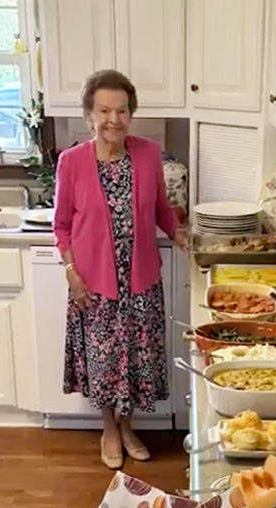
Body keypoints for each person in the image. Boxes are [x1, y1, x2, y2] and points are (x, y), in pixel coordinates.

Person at [54, 69, 189, 469]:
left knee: (134, 362)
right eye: (104, 110)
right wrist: (71, 271)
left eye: (122, 110)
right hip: (92, 283)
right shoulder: (72, 162)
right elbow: (61, 226)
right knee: (104, 364)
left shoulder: (148, 154)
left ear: (132, 113)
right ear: (89, 115)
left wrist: (178, 232)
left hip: (141, 282)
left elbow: (161, 208)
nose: (114, 119)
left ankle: (129, 427)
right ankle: (109, 429)